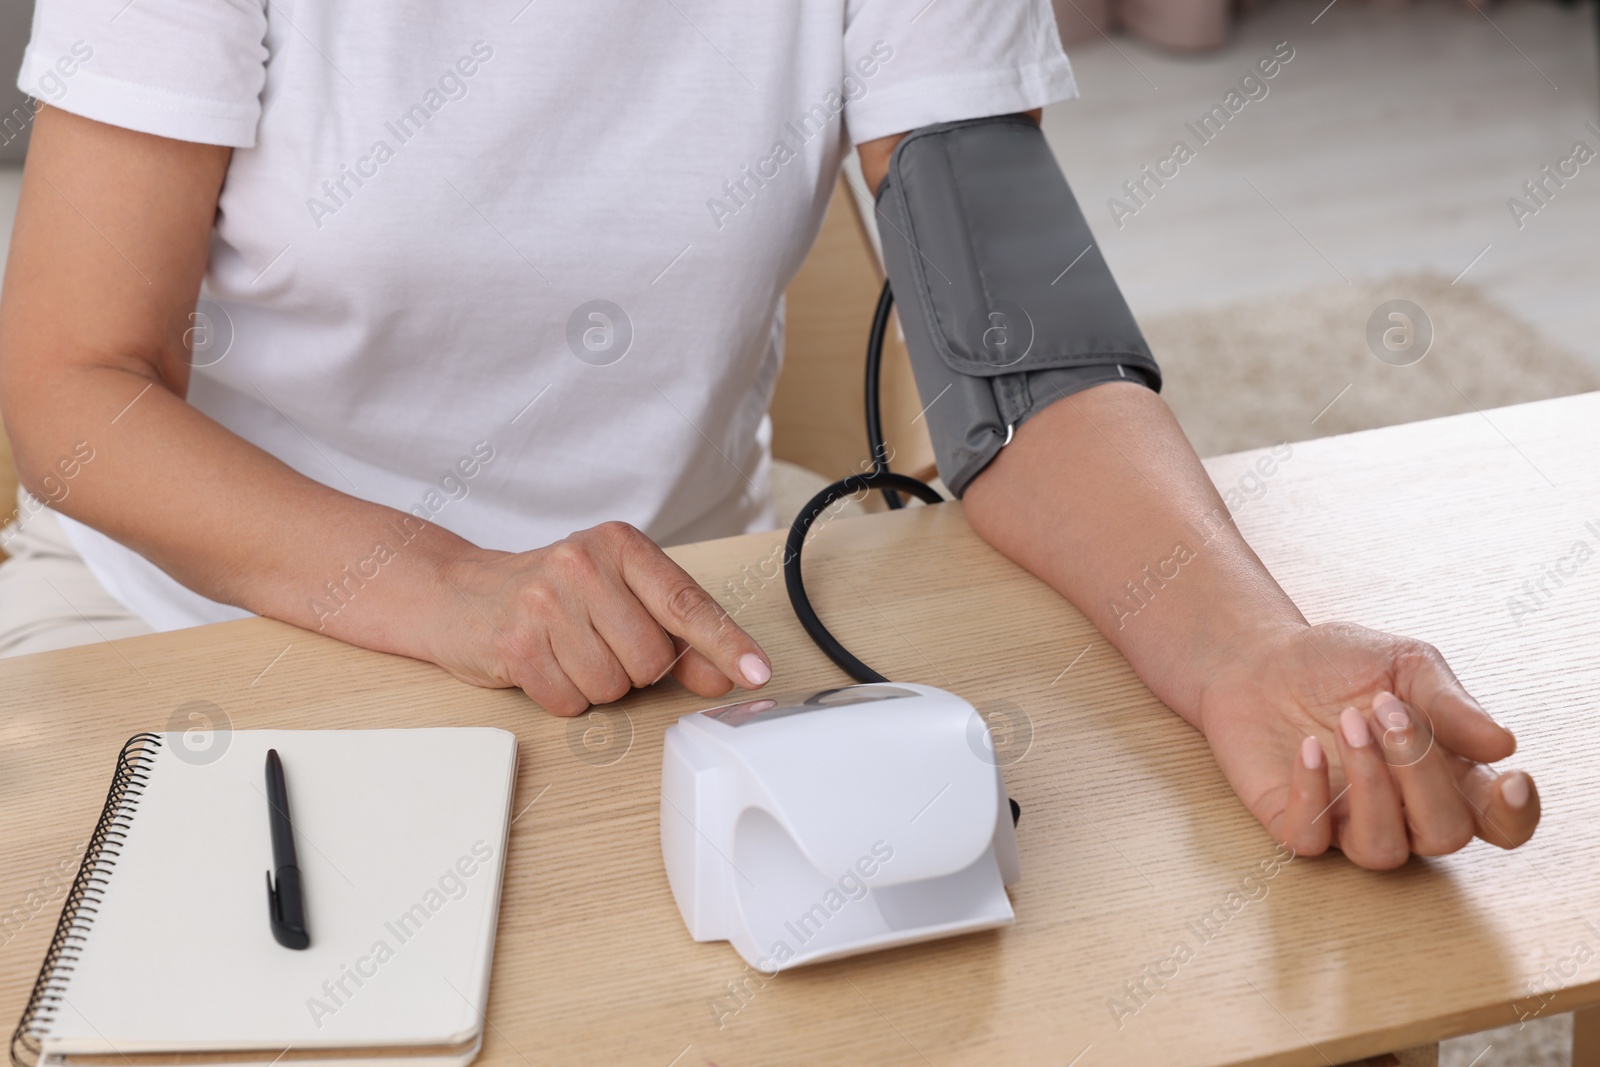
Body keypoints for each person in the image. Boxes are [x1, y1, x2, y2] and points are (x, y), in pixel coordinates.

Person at [0, 0, 1537, 870]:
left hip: (681, 619)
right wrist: (460, 586)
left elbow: (1028, 370)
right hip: (200, 608)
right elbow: (73, 382)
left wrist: (1247, 651)